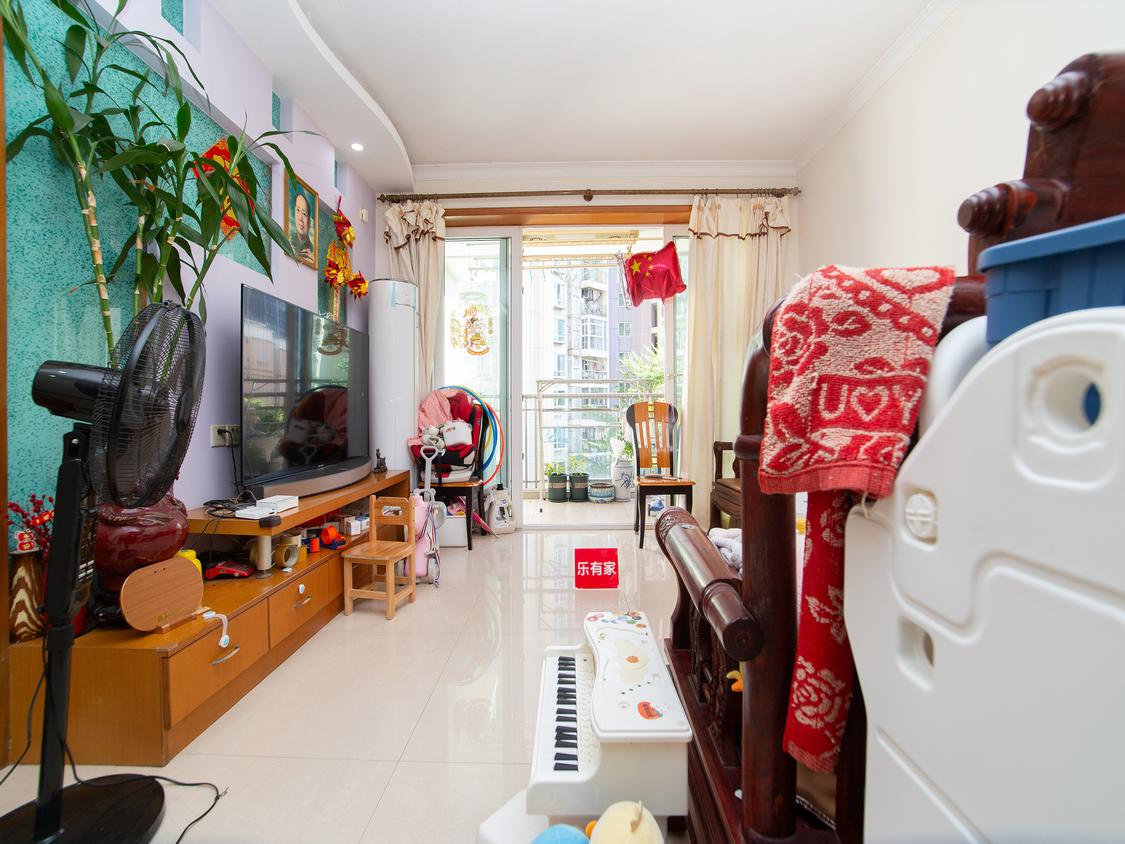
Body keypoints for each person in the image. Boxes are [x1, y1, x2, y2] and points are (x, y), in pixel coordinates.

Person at [290, 191, 314, 262]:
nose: (300, 218)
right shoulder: (290, 241)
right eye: (298, 210)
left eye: (304, 214)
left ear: (309, 222)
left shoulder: (311, 250)